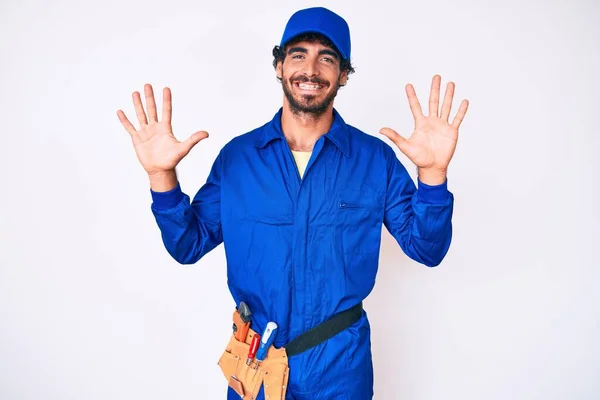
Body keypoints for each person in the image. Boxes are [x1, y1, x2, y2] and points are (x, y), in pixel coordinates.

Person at [117, 6, 468, 400]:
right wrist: (161, 178)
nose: (311, 69)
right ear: (279, 66)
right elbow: (187, 245)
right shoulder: (239, 159)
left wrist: (433, 175)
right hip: (255, 365)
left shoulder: (375, 161)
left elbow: (427, 249)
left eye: (327, 58)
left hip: (340, 369)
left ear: (344, 75)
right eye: (298, 54)